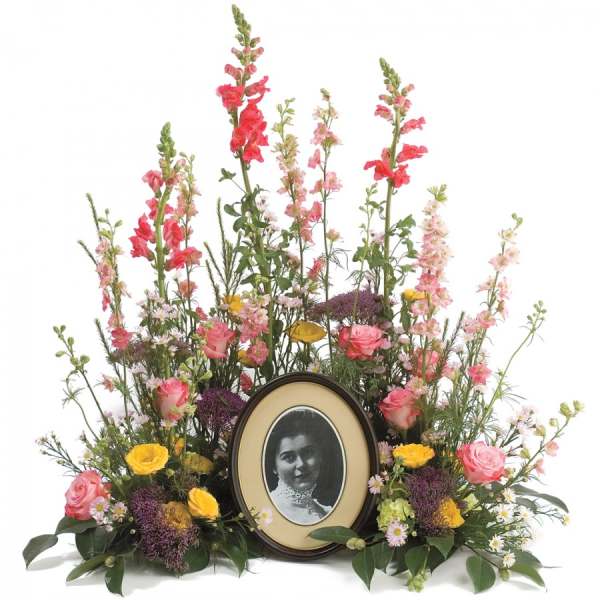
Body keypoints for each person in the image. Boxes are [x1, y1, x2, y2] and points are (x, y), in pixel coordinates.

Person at [264, 408, 343, 525]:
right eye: (289, 457)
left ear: (320, 455)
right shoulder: (270, 511)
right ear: (274, 467)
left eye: (308, 452)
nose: (301, 464)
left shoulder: (325, 511)